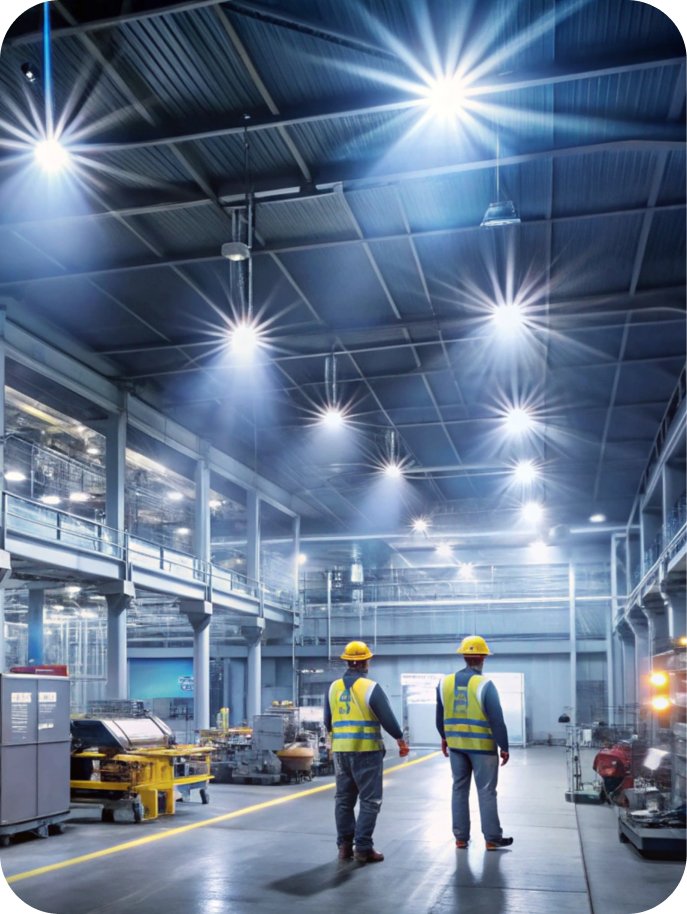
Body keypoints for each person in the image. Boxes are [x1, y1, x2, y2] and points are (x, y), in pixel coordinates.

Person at [325, 640, 409, 863]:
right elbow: (387, 718)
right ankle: (363, 847)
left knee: (343, 800)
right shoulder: (371, 687)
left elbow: (327, 721)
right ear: (365, 662)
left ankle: (344, 847)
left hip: (341, 751)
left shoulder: (333, 687)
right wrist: (400, 739)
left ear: (347, 661)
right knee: (370, 801)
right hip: (366, 751)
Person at [436, 635, 513, 850]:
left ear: (464, 656)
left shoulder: (444, 683)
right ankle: (491, 838)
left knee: (459, 789)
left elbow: (439, 716)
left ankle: (460, 838)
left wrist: (444, 737)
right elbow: (497, 719)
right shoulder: (485, 684)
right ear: (482, 658)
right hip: (482, 748)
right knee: (486, 790)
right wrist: (504, 747)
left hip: (456, 747)